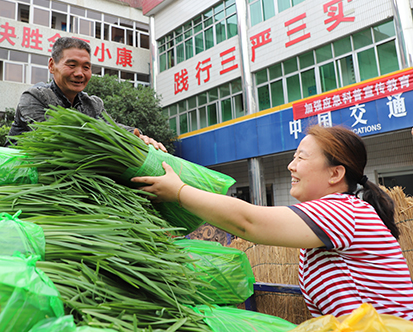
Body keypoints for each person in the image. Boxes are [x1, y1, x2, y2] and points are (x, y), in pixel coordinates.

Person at [132, 124, 413, 320]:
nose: (291, 166)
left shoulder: (344, 212)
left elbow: (249, 222)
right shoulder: (331, 217)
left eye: (301, 158)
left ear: (335, 174)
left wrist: (179, 192)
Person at [7, 36, 166, 151]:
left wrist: (137, 136)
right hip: (19, 176)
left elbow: (112, 127)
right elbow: (55, 139)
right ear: (52, 65)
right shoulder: (34, 97)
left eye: (86, 67)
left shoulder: (93, 104)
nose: (79, 73)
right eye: (72, 65)